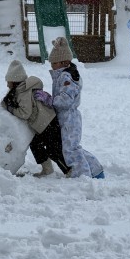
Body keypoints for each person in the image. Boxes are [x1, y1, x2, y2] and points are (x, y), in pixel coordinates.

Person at [48, 37, 105, 179]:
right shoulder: (64, 75)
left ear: (64, 62)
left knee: (71, 150)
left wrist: (50, 100)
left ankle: (83, 176)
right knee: (72, 148)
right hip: (66, 118)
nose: (52, 66)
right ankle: (96, 170)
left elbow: (66, 100)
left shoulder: (66, 77)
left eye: (54, 63)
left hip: (69, 119)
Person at [2, 60, 71, 177]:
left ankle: (69, 171)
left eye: (8, 81)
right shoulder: (24, 88)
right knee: (35, 144)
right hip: (45, 121)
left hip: (47, 123)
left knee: (53, 150)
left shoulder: (22, 92)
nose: (7, 84)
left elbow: (25, 113)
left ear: (14, 81)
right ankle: (47, 169)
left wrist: (10, 109)